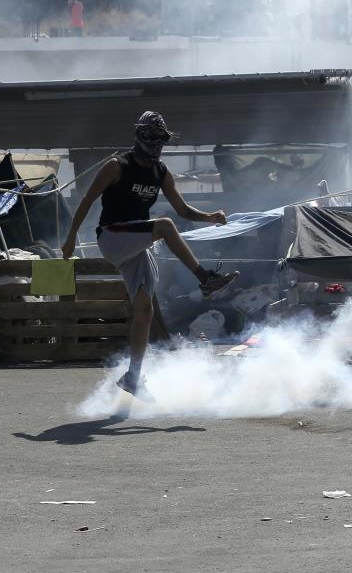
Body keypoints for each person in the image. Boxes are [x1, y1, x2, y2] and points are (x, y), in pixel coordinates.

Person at [61, 111, 239, 400]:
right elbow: (86, 201)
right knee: (165, 225)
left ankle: (133, 376)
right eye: (153, 139)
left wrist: (210, 216)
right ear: (141, 137)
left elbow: (183, 210)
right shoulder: (117, 166)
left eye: (161, 140)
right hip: (113, 237)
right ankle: (204, 278)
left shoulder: (161, 173)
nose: (157, 145)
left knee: (145, 310)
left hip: (137, 243)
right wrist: (70, 240)